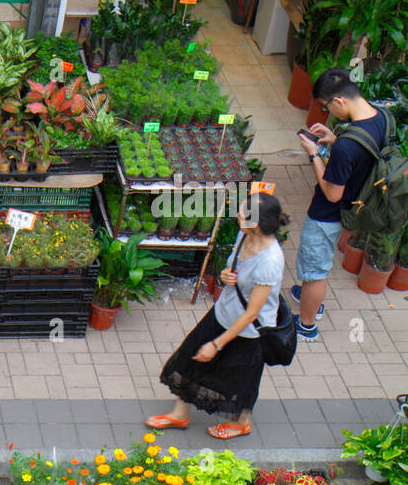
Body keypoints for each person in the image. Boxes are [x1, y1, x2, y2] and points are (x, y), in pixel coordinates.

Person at [146, 193, 289, 440]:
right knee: (189, 357)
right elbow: (233, 267)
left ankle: (241, 422)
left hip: (248, 331)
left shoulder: (270, 261)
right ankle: (180, 414)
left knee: (240, 379)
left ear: (254, 223)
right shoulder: (244, 234)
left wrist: (217, 344)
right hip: (223, 312)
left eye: (243, 211)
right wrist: (225, 275)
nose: (239, 213)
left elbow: (252, 312)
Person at [295, 68, 387, 341]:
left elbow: (332, 193)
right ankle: (309, 296)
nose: (328, 113)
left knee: (316, 270)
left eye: (326, 107)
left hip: (329, 214)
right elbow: (365, 155)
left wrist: (314, 155)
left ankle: (307, 323)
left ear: (339, 101)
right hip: (355, 204)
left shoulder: (348, 147)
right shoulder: (381, 118)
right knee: (317, 266)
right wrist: (334, 142)